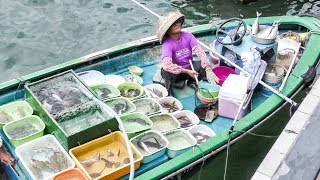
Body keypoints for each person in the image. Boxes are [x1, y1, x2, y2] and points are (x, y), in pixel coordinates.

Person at [156, 11, 218, 96]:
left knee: (204, 66)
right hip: (177, 72)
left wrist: (208, 69)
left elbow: (200, 52)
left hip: (189, 68)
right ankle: (169, 92)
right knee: (166, 71)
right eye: (173, 24)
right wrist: (187, 71)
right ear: (167, 31)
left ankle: (191, 82)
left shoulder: (188, 35)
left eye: (177, 22)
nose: (177, 24)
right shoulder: (167, 44)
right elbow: (167, 65)